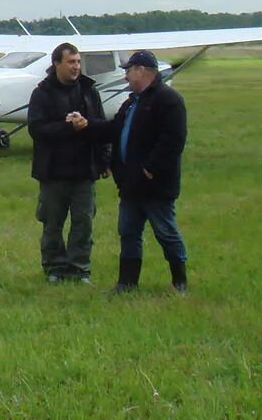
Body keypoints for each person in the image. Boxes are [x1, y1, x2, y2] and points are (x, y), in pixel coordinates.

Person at [71, 50, 190, 293]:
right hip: (130, 184)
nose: (125, 76)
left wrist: (150, 169)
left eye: (128, 70)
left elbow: (173, 141)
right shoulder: (131, 102)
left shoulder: (169, 100)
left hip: (155, 184)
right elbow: (114, 129)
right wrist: (86, 125)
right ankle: (126, 283)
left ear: (141, 70)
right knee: (128, 232)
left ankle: (180, 282)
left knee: (166, 232)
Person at [27, 43, 111, 284]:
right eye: (71, 62)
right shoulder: (42, 93)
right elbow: (36, 129)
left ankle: (79, 268)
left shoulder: (88, 90)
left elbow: (101, 125)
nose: (76, 67)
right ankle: (54, 268)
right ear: (56, 64)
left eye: (78, 62)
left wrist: (105, 159)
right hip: (53, 171)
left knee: (83, 223)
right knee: (52, 224)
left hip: (84, 170)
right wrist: (68, 127)